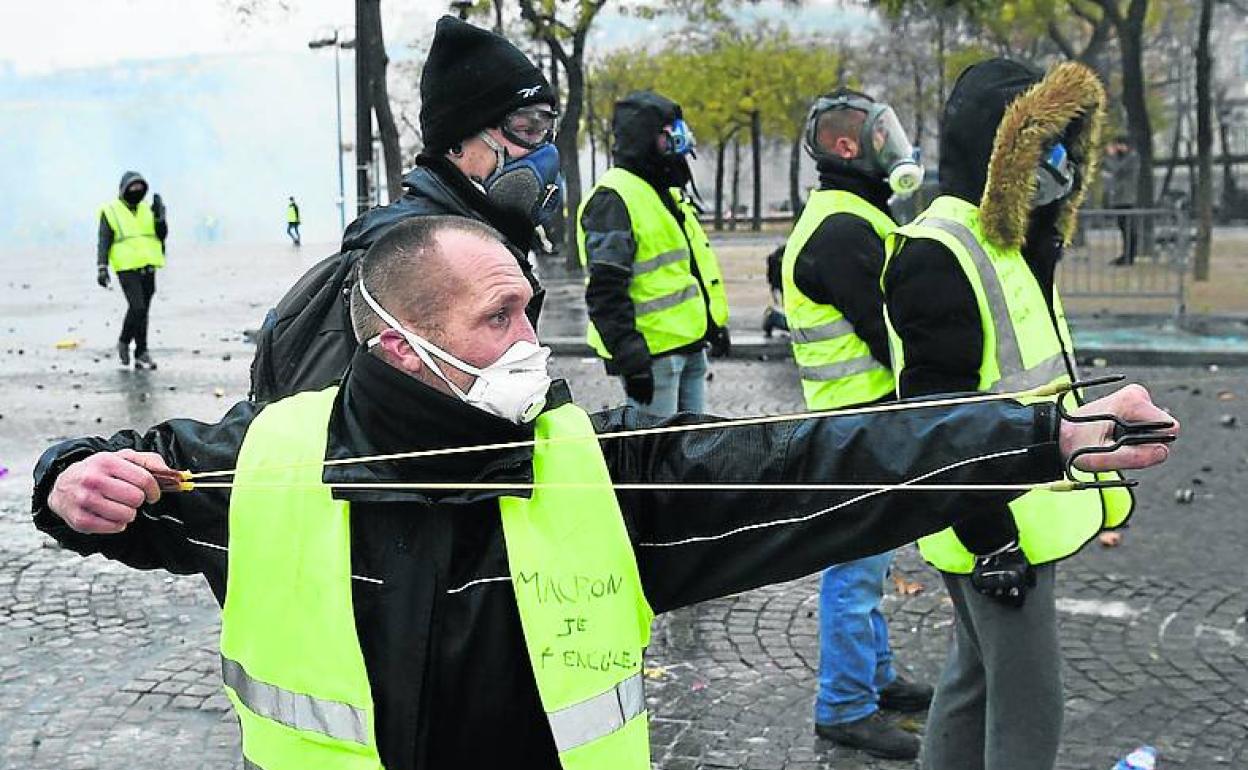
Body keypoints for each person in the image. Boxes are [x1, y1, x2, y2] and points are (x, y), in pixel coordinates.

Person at [33, 215, 1175, 770]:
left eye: (530, 306)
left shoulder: (600, 465)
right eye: (498, 319)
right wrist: (65, 479)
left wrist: (1039, 434)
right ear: (397, 347)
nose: (537, 339)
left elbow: (819, 460)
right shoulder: (259, 460)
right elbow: (114, 479)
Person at [883, 59, 1134, 770]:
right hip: (998, 522)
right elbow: (938, 415)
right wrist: (992, 539)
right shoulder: (942, 251)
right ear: (1005, 150)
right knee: (1029, 706)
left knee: (972, 682)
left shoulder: (1008, 240)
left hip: (1019, 511)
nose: (1058, 160)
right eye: (1045, 143)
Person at [249, 15, 562, 403]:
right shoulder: (396, 257)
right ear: (457, 144)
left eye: (546, 129)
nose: (543, 151)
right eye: (526, 129)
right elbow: (333, 433)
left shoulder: (492, 243)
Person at [781, 88, 931, 759]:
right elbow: (889, 332)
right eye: (877, 135)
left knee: (870, 557)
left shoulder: (846, 216)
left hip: (858, 420)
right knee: (855, 567)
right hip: (856, 424)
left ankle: (875, 678)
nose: (889, 146)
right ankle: (844, 705)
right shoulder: (844, 228)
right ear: (847, 148)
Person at [578, 91, 730, 417]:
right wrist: (630, 359)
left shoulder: (663, 191)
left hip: (688, 346)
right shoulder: (614, 198)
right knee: (654, 459)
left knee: (692, 453)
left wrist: (713, 325)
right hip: (654, 357)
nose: (679, 139)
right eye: (668, 132)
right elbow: (606, 289)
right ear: (646, 138)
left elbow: (690, 265)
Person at [98, 171, 167, 371]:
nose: (137, 191)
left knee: (143, 310)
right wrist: (102, 267)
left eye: (140, 187)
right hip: (126, 266)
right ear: (124, 189)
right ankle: (124, 341)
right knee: (137, 307)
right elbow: (104, 240)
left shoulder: (148, 209)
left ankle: (141, 353)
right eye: (132, 187)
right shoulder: (111, 211)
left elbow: (161, 235)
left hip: (148, 264)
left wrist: (161, 219)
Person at [1103, 136, 1139, 266]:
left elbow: (1116, 169)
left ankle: (1129, 256)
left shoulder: (1131, 157)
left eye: (1117, 145)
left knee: (1129, 229)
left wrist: (1110, 156)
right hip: (1120, 199)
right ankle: (1126, 255)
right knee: (1124, 229)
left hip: (1126, 200)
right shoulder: (1124, 157)